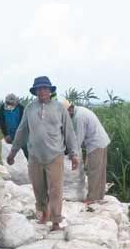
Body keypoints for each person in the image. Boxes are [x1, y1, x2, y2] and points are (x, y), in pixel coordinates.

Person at [7, 76, 79, 231]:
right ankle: (44, 213)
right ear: (35, 91)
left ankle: (56, 221)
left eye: (45, 88)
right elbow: (22, 131)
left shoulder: (60, 108)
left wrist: (74, 154)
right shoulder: (30, 108)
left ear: (50, 91)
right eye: (39, 89)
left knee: (55, 189)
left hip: (55, 155)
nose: (42, 91)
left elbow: (69, 132)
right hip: (35, 156)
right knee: (38, 187)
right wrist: (13, 152)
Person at [62, 99, 110, 203]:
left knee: (94, 171)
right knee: (100, 171)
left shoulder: (79, 117)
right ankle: (99, 196)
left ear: (68, 110)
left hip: (96, 143)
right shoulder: (79, 111)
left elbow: (78, 139)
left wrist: (70, 153)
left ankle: (92, 198)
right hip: (101, 141)